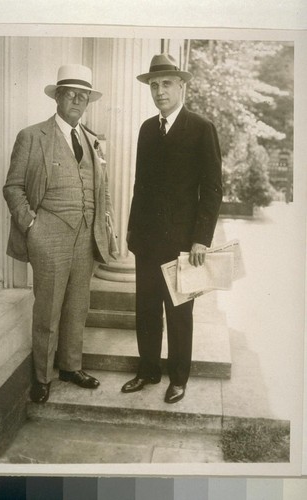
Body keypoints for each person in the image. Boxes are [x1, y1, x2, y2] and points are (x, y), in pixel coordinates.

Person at [3, 64, 115, 404]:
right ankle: (42, 375)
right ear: (58, 98)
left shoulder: (91, 139)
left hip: (86, 236)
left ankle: (70, 366)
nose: (78, 100)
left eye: (84, 96)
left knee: (77, 307)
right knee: (48, 310)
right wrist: (32, 226)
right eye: (71, 94)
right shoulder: (32, 136)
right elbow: (13, 187)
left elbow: (101, 188)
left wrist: (105, 222)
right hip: (48, 235)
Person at [121, 53, 222, 404]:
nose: (159, 91)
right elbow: (140, 185)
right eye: (153, 85)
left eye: (166, 84)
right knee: (146, 309)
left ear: (182, 85)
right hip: (146, 240)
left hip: (182, 243)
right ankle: (148, 370)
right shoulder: (148, 129)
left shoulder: (201, 128)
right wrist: (133, 232)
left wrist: (200, 239)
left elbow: (211, 189)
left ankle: (178, 378)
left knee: (179, 313)